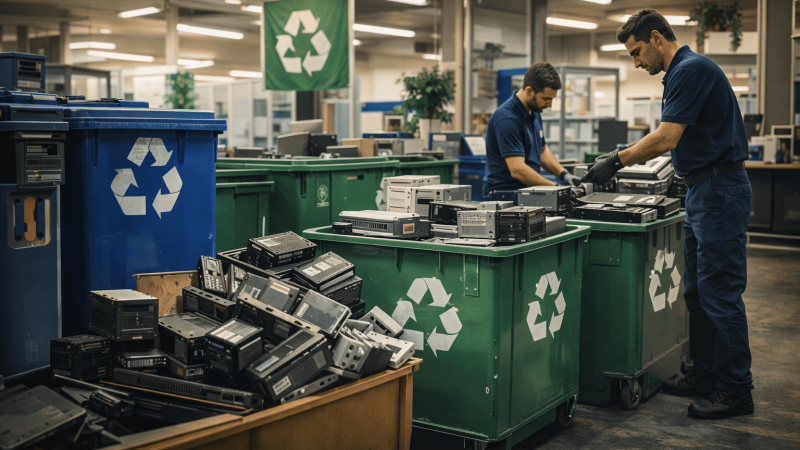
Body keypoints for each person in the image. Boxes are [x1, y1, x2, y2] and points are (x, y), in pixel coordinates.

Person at [584, 8, 754, 419]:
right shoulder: (680, 73)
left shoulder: (690, 70)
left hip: (718, 191)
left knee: (721, 292)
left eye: (638, 52)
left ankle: (736, 389)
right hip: (700, 189)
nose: (638, 62)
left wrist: (616, 159)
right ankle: (707, 372)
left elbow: (667, 137)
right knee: (696, 290)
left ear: (658, 38)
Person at [482, 62, 581, 200]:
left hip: (526, 191)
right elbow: (518, 170)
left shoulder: (534, 113)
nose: (549, 105)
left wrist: (564, 174)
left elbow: (542, 151)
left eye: (552, 99)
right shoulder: (507, 119)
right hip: (505, 196)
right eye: (546, 99)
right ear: (529, 91)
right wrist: (556, 188)